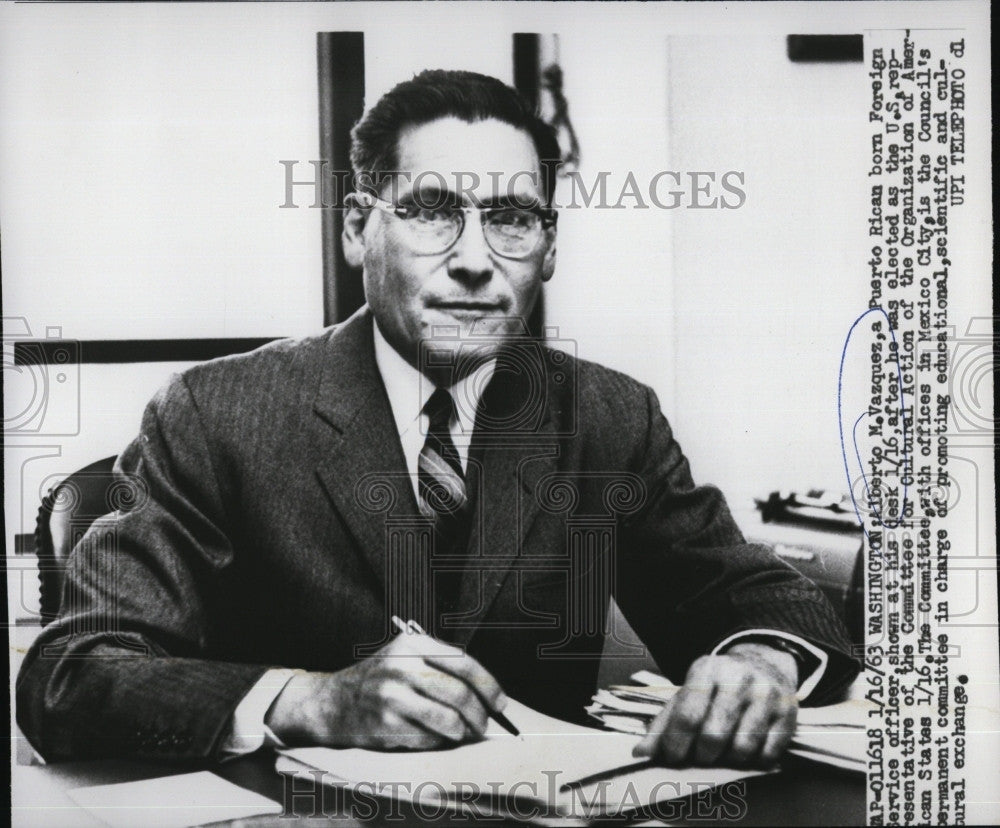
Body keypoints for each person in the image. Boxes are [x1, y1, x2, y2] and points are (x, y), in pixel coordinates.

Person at [17, 69, 858, 769]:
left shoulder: (608, 413)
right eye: (430, 210)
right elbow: (68, 676)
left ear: (549, 249)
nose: (472, 260)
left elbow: (751, 591)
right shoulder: (217, 410)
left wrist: (761, 661)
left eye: (512, 219)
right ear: (357, 228)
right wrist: (309, 698)